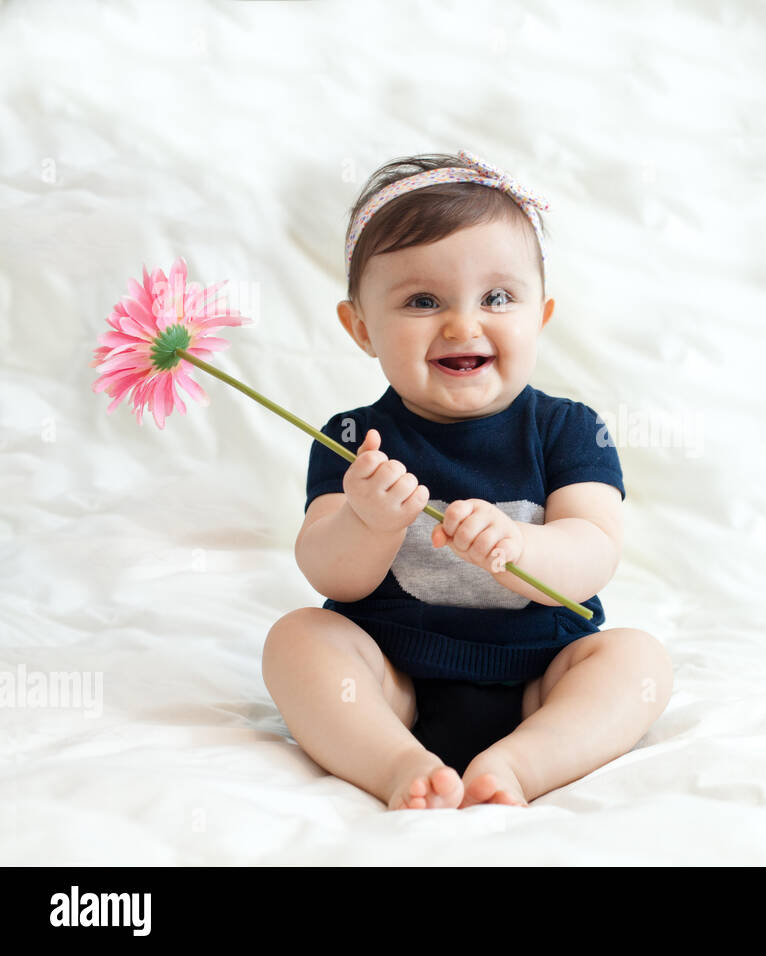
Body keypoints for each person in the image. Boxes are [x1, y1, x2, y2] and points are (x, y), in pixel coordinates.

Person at [262, 151, 673, 810]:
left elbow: (595, 548)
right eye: (422, 300)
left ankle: (522, 762)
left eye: (498, 297)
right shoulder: (350, 437)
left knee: (637, 661)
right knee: (297, 641)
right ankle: (397, 764)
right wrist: (367, 521)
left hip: (540, 675)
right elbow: (328, 573)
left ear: (540, 315)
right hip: (394, 680)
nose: (462, 323)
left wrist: (521, 547)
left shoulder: (569, 428)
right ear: (361, 326)